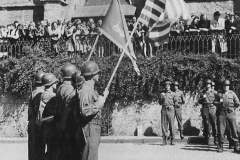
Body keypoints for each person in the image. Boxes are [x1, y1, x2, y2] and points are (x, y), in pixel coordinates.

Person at [80, 61, 109, 160]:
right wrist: (100, 102)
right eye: (97, 73)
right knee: (90, 156)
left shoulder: (90, 89)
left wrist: (102, 97)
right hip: (90, 127)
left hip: (92, 127)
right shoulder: (86, 90)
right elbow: (85, 111)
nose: (99, 75)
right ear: (92, 75)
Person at [55, 63, 77, 159]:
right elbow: (68, 109)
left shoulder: (60, 87)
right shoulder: (69, 89)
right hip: (68, 125)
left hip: (61, 124)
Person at [216, 80, 240, 153]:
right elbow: (214, 102)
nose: (226, 87)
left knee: (234, 130)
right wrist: (219, 103)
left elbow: (237, 103)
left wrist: (232, 109)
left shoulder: (232, 93)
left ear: (229, 86)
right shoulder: (219, 94)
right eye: (224, 85)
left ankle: (236, 146)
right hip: (222, 114)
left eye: (227, 85)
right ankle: (220, 147)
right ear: (223, 86)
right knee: (221, 130)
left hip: (230, 114)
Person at [40, 73, 59, 160]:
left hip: (46, 128)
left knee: (50, 152)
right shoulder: (51, 96)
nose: (56, 85)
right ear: (51, 84)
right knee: (53, 153)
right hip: (51, 128)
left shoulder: (43, 94)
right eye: (55, 83)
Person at [28, 71, 45, 160]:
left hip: (32, 123)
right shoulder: (41, 92)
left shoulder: (34, 91)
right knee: (39, 150)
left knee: (32, 151)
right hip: (37, 124)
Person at [198, 79, 218, 145]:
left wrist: (214, 104)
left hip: (212, 108)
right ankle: (207, 138)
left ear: (210, 85)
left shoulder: (214, 92)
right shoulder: (203, 92)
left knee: (214, 123)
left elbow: (219, 101)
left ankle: (215, 138)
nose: (208, 85)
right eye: (207, 84)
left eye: (209, 84)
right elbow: (199, 101)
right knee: (206, 123)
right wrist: (202, 98)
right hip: (205, 108)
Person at [159, 80, 175, 145]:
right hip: (164, 109)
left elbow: (175, 102)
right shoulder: (162, 94)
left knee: (171, 125)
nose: (167, 87)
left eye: (168, 86)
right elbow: (160, 103)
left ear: (170, 86)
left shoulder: (173, 94)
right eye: (166, 86)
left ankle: (172, 139)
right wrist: (161, 98)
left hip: (171, 109)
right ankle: (164, 140)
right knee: (164, 125)